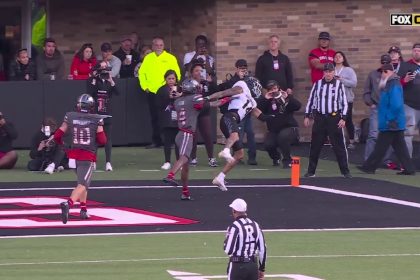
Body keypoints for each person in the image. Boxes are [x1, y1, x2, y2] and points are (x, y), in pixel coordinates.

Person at [163, 79, 230, 200]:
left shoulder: (178, 101)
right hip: (187, 133)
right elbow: (212, 104)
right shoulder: (194, 98)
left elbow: (183, 105)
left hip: (179, 134)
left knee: (186, 165)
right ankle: (170, 175)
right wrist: (226, 99)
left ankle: (185, 192)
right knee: (184, 158)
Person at [206, 75, 271, 191]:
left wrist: (276, 113)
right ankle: (225, 150)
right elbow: (223, 93)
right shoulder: (242, 87)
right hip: (228, 117)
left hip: (233, 121)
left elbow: (261, 116)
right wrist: (207, 98)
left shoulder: (252, 102)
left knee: (239, 154)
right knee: (235, 135)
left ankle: (220, 177)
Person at [51, 94, 107, 224]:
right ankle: (68, 204)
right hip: (86, 156)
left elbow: (58, 134)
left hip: (73, 156)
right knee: (83, 184)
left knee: (81, 184)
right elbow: (103, 140)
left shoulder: (71, 116)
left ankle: (83, 210)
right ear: (91, 107)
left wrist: (62, 145)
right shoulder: (96, 119)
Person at [357, 64, 415, 175]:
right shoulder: (391, 83)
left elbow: (396, 104)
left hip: (391, 122)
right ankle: (409, 169)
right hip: (394, 122)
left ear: (388, 72)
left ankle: (369, 167)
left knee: (380, 146)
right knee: (400, 147)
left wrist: (389, 119)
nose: (381, 74)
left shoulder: (393, 84)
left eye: (383, 72)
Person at [303, 63, 351, 178]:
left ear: (334, 72)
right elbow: (311, 100)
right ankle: (311, 171)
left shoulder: (339, 85)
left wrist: (343, 118)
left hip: (333, 118)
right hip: (320, 118)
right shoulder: (317, 84)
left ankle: (345, 171)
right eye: (326, 72)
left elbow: (344, 103)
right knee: (315, 145)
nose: (328, 74)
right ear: (323, 73)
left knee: (339, 146)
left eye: (330, 71)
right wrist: (307, 115)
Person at [139, 37, 181, 149]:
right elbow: (142, 73)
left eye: (161, 45)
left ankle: (171, 142)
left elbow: (177, 73)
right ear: (152, 46)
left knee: (170, 116)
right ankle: (156, 141)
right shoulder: (148, 58)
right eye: (156, 45)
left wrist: (173, 86)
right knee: (155, 117)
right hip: (152, 91)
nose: (158, 47)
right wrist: (145, 87)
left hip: (167, 91)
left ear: (163, 46)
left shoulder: (170, 58)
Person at [219, 59, 259, 165]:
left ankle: (252, 157)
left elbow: (254, 92)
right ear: (236, 68)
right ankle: (237, 156)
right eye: (241, 68)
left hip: (247, 111)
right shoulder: (233, 80)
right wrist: (238, 77)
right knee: (238, 134)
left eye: (245, 68)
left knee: (250, 133)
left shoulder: (249, 79)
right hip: (237, 111)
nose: (243, 70)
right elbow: (229, 89)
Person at [258, 80, 301, 168]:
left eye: (275, 88)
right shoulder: (267, 101)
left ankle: (287, 160)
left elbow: (298, 106)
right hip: (274, 130)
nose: (273, 91)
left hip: (289, 127)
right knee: (268, 145)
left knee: (283, 136)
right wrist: (265, 99)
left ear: (279, 88)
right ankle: (276, 158)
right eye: (270, 89)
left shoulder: (286, 97)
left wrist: (287, 97)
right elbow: (259, 110)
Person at [363, 54, 396, 168]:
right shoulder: (373, 74)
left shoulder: (394, 76)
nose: (384, 65)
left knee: (388, 135)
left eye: (387, 63)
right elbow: (366, 91)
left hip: (390, 109)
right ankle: (368, 160)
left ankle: (385, 160)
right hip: (376, 107)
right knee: (373, 135)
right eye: (383, 63)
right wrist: (370, 103)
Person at [87, 61, 119, 171]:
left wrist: (111, 81)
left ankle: (108, 162)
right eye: (103, 67)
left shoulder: (110, 80)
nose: (105, 69)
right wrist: (95, 78)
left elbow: (117, 92)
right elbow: (90, 93)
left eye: (106, 67)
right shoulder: (93, 80)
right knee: (95, 138)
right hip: (96, 112)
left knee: (107, 138)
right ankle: (93, 161)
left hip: (107, 112)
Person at [224, 198, 266, 280]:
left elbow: (228, 250)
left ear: (234, 211)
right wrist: (262, 268)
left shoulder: (234, 226)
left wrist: (226, 240)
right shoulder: (255, 225)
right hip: (252, 265)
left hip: (237, 266)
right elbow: (263, 249)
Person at [188, 62, 218, 167]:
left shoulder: (206, 83)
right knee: (193, 135)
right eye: (196, 71)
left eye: (201, 71)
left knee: (208, 135)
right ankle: (193, 158)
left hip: (204, 111)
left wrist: (212, 83)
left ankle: (211, 158)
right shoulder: (188, 83)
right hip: (192, 112)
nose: (199, 73)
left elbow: (214, 93)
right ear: (192, 73)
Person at [156, 70, 180, 170]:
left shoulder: (180, 89)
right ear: (165, 79)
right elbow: (158, 105)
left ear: (176, 79)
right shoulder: (161, 90)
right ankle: (167, 161)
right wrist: (168, 97)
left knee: (178, 142)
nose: (171, 81)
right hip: (167, 118)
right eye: (169, 78)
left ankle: (179, 162)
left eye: (173, 78)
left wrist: (179, 95)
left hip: (179, 119)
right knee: (167, 141)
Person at [399, 43, 420, 158]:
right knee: (407, 134)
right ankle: (406, 163)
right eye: (415, 50)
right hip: (409, 105)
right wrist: (404, 80)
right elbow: (395, 85)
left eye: (419, 50)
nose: (417, 52)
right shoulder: (405, 66)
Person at [333, 51, 358, 149]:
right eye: (336, 57)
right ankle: (337, 141)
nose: (337, 58)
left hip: (347, 99)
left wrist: (341, 80)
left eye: (340, 56)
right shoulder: (331, 69)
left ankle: (351, 140)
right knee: (334, 120)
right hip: (334, 100)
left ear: (343, 59)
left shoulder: (349, 70)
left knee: (347, 120)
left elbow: (354, 83)